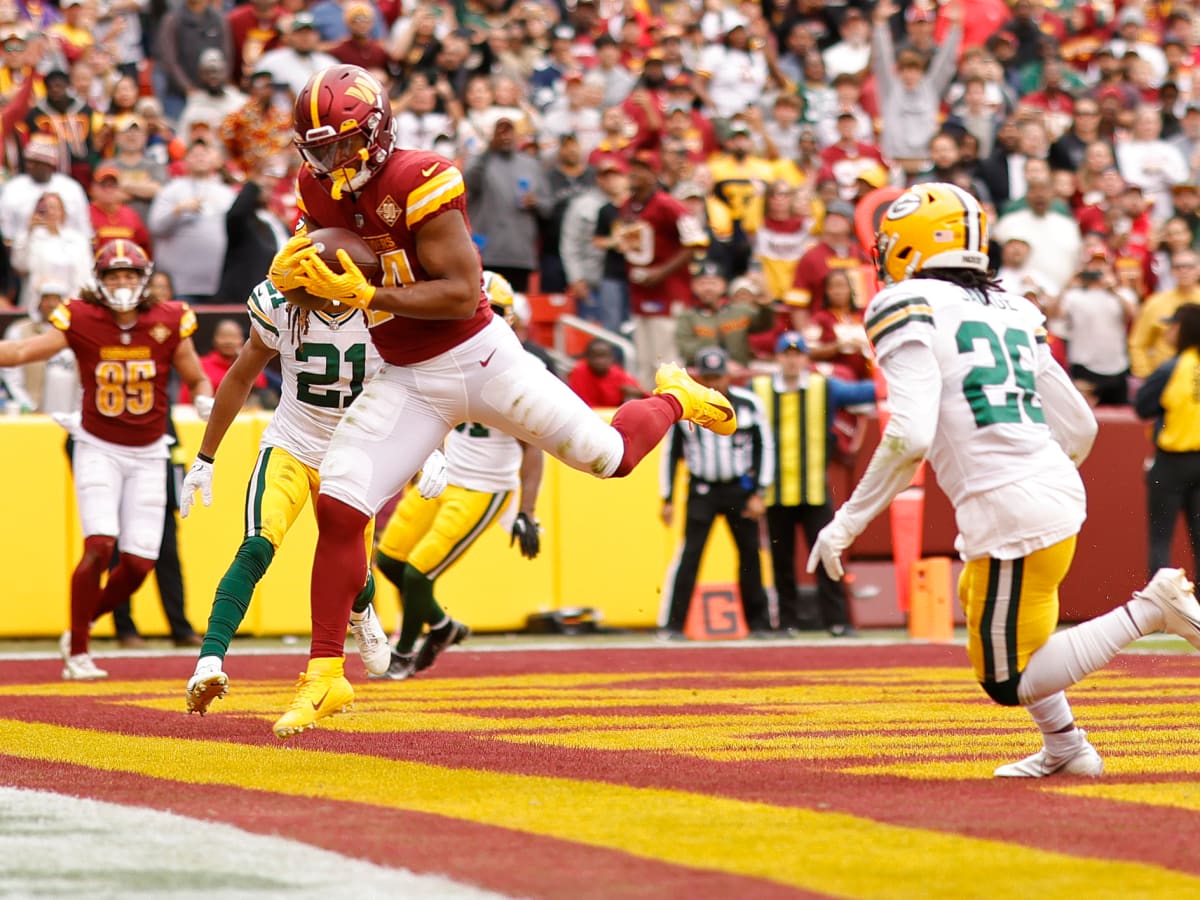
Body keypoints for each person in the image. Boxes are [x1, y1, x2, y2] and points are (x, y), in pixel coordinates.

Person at [261, 64, 738, 738]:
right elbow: (331, 272)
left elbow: (459, 292)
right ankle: (324, 674)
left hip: (479, 358)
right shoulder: (320, 189)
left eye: (338, 144)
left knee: (609, 457)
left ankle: (673, 397)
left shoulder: (420, 177)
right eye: (317, 149)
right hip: (405, 376)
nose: (327, 160)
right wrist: (301, 284)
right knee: (340, 503)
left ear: (372, 133)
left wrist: (366, 297)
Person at [808, 182, 1200, 778]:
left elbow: (908, 437)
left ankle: (1152, 610)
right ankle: (1067, 747)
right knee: (984, 603)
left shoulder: (905, 302)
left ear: (910, 246)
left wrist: (847, 522)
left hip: (1009, 501)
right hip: (1045, 488)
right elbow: (1080, 424)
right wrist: (1034, 474)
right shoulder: (1012, 305)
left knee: (1006, 679)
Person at [180, 277, 448, 714]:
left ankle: (362, 609)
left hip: (356, 453)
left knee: (353, 570)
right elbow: (242, 374)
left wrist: (433, 448)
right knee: (256, 545)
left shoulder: (382, 305)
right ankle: (208, 660)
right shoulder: (278, 304)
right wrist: (206, 457)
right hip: (292, 445)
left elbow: (421, 382)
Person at [0, 240, 213, 679]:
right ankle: (78, 651)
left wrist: (207, 397)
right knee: (99, 545)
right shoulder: (81, 318)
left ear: (144, 277)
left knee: (139, 564)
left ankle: (82, 623)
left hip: (150, 452)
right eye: (114, 276)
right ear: (99, 281)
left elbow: (195, 376)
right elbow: (21, 352)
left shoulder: (168, 319)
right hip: (98, 445)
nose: (122, 284)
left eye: (130, 275)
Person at [372, 273, 545, 680]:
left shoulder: (525, 369)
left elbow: (532, 447)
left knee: (418, 573)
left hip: (484, 487)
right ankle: (445, 627)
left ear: (508, 318)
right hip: (446, 477)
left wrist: (529, 511)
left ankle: (404, 651)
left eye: (487, 310)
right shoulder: (450, 354)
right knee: (390, 561)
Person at [753, 331, 874, 635]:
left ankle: (838, 621)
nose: (792, 360)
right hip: (774, 491)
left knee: (827, 555)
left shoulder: (824, 388)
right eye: (786, 354)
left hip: (813, 489)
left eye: (797, 354)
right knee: (782, 563)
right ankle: (787, 622)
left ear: (806, 358)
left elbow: (864, 392)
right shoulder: (759, 389)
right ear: (777, 358)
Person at [659, 346, 772, 639]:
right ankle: (674, 625)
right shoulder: (684, 406)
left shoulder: (748, 403)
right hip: (702, 490)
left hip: (740, 490)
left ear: (728, 376)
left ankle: (759, 624)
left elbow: (765, 447)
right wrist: (667, 497)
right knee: (691, 555)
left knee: (749, 555)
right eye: (707, 377)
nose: (713, 384)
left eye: (718, 377)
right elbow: (670, 453)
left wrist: (760, 491)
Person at [1134, 303, 1200, 580]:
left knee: (1161, 538)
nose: (1168, 331)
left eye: (1172, 326)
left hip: (1170, 463)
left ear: (1183, 330)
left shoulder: (1172, 368)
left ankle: (1160, 608)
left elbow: (1142, 406)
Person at [567, 337, 644, 408]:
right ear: (587, 357)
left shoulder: (617, 374)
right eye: (595, 356)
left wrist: (635, 393)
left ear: (611, 358)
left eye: (603, 356)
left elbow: (644, 394)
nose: (600, 361)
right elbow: (576, 403)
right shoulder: (579, 372)